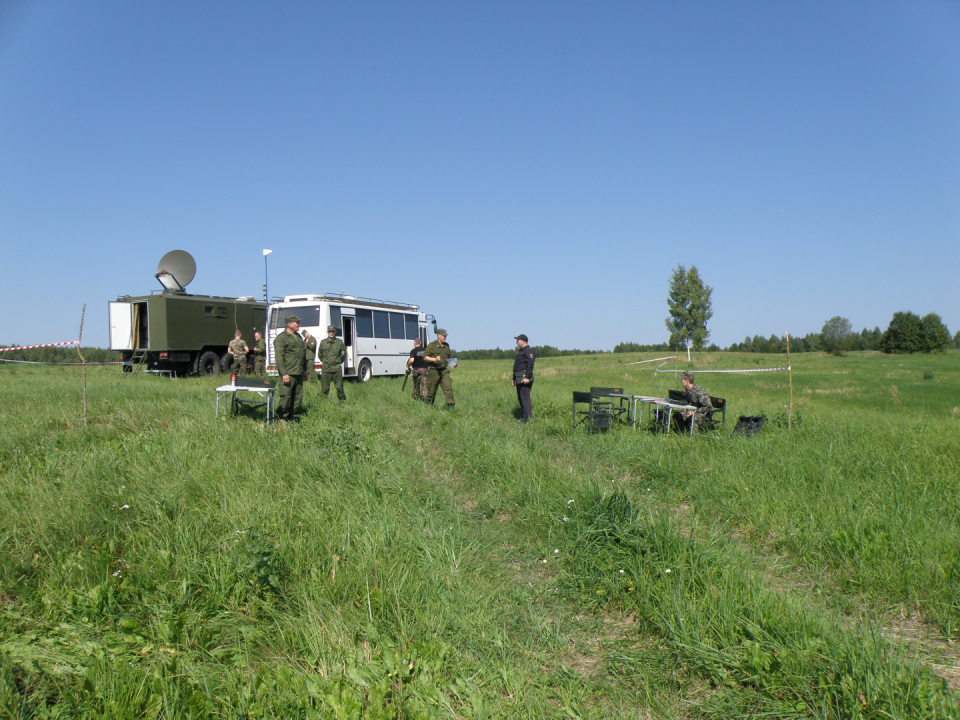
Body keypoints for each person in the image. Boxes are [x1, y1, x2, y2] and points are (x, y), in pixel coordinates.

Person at [273, 315, 305, 422]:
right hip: (288, 373)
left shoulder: (299, 337)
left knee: (297, 398)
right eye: (296, 322)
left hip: (298, 372)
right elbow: (279, 358)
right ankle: (281, 418)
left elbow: (302, 355)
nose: (299, 324)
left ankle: (294, 417)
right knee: (285, 397)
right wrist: (284, 373)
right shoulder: (281, 338)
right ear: (289, 324)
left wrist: (304, 370)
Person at [424, 329, 455, 409]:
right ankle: (428, 407)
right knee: (432, 391)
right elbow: (425, 357)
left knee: (448, 388)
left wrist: (453, 364)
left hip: (444, 371)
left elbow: (448, 358)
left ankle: (451, 407)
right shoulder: (432, 345)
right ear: (438, 335)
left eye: (445, 336)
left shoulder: (446, 345)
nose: (445, 337)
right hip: (434, 371)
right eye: (443, 336)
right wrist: (435, 359)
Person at [318, 325, 347, 401]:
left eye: (333, 331)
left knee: (339, 387)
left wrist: (338, 361)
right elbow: (320, 354)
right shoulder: (323, 342)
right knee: (325, 388)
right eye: (330, 331)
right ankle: (323, 403)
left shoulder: (339, 342)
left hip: (336, 368)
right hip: (326, 369)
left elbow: (343, 354)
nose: (331, 333)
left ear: (335, 332)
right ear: (327, 332)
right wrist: (325, 362)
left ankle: (342, 402)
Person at [512, 334, 535, 423]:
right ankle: (524, 415)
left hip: (524, 378)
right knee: (520, 398)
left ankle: (527, 418)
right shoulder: (520, 352)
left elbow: (530, 365)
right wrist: (513, 378)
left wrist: (527, 377)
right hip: (518, 377)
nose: (516, 342)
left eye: (518, 340)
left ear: (523, 341)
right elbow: (517, 366)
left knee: (525, 397)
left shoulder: (529, 351)